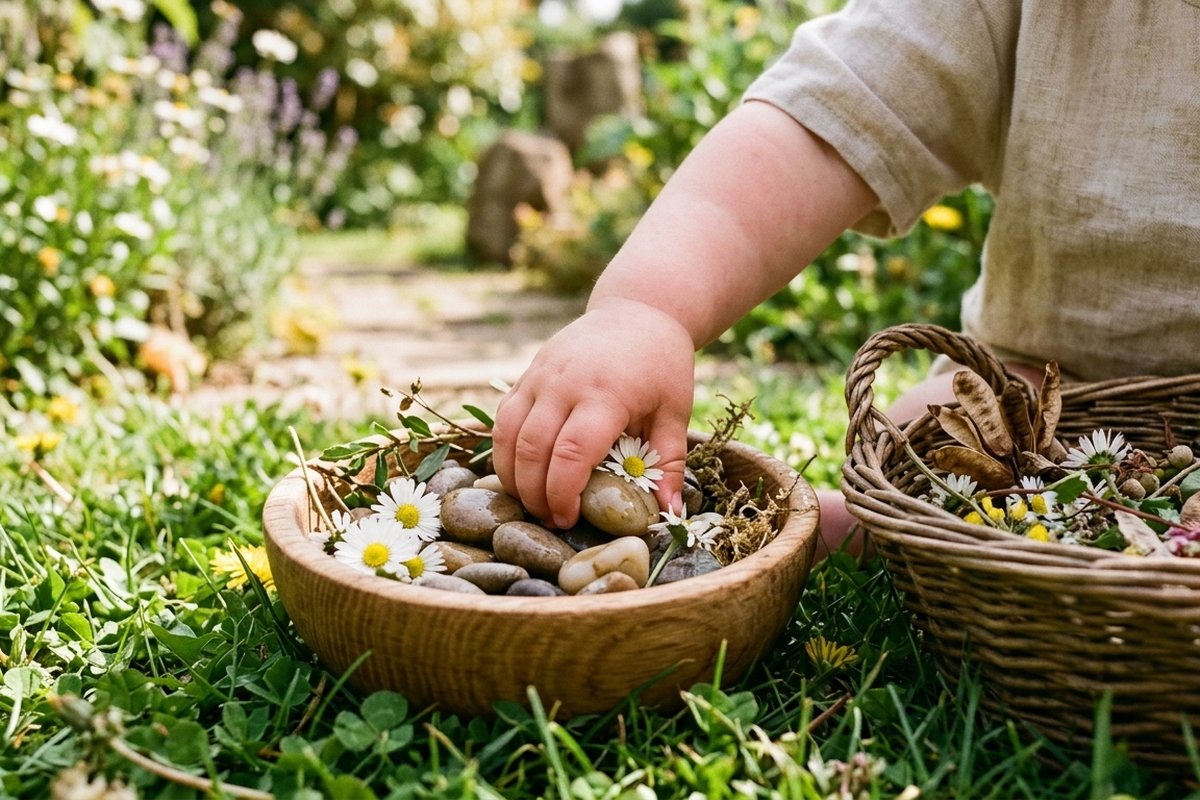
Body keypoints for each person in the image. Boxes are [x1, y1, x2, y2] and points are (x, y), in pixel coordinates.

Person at [490, 0, 1200, 557]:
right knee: (906, 449)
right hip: (1045, 406)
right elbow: (831, 116)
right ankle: (872, 526)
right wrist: (648, 308)